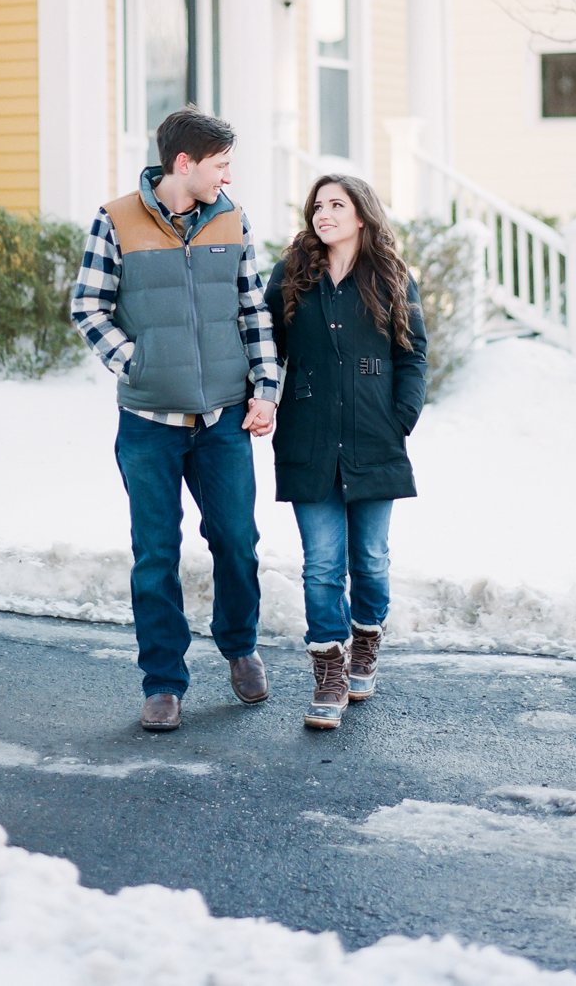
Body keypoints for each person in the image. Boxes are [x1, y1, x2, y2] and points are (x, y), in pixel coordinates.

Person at [72, 108, 279, 732]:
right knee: (155, 553)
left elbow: (253, 308)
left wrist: (265, 388)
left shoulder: (232, 218)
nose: (228, 176)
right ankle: (163, 683)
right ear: (183, 163)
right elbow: (88, 306)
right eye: (220, 165)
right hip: (148, 423)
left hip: (222, 419)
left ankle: (240, 647)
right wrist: (136, 362)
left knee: (237, 543)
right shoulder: (115, 221)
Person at [264, 175, 427, 731]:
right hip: (308, 437)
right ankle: (329, 670)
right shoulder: (291, 275)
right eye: (318, 205)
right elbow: (262, 343)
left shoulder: (391, 276)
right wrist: (263, 394)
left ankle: (366, 640)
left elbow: (413, 355)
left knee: (372, 562)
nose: (324, 213)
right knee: (321, 566)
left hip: (374, 437)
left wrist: (400, 418)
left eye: (337, 204)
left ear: (362, 215)